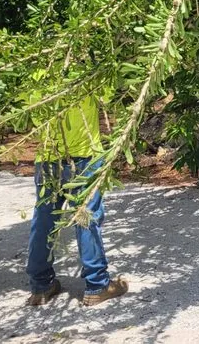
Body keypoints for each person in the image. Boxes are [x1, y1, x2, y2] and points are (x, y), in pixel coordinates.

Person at [26, 94, 128, 307]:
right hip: (85, 157)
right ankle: (97, 285)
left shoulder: (35, 74)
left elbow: (30, 115)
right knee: (86, 218)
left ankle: (41, 286)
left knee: (44, 221)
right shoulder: (89, 69)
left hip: (47, 158)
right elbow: (109, 92)